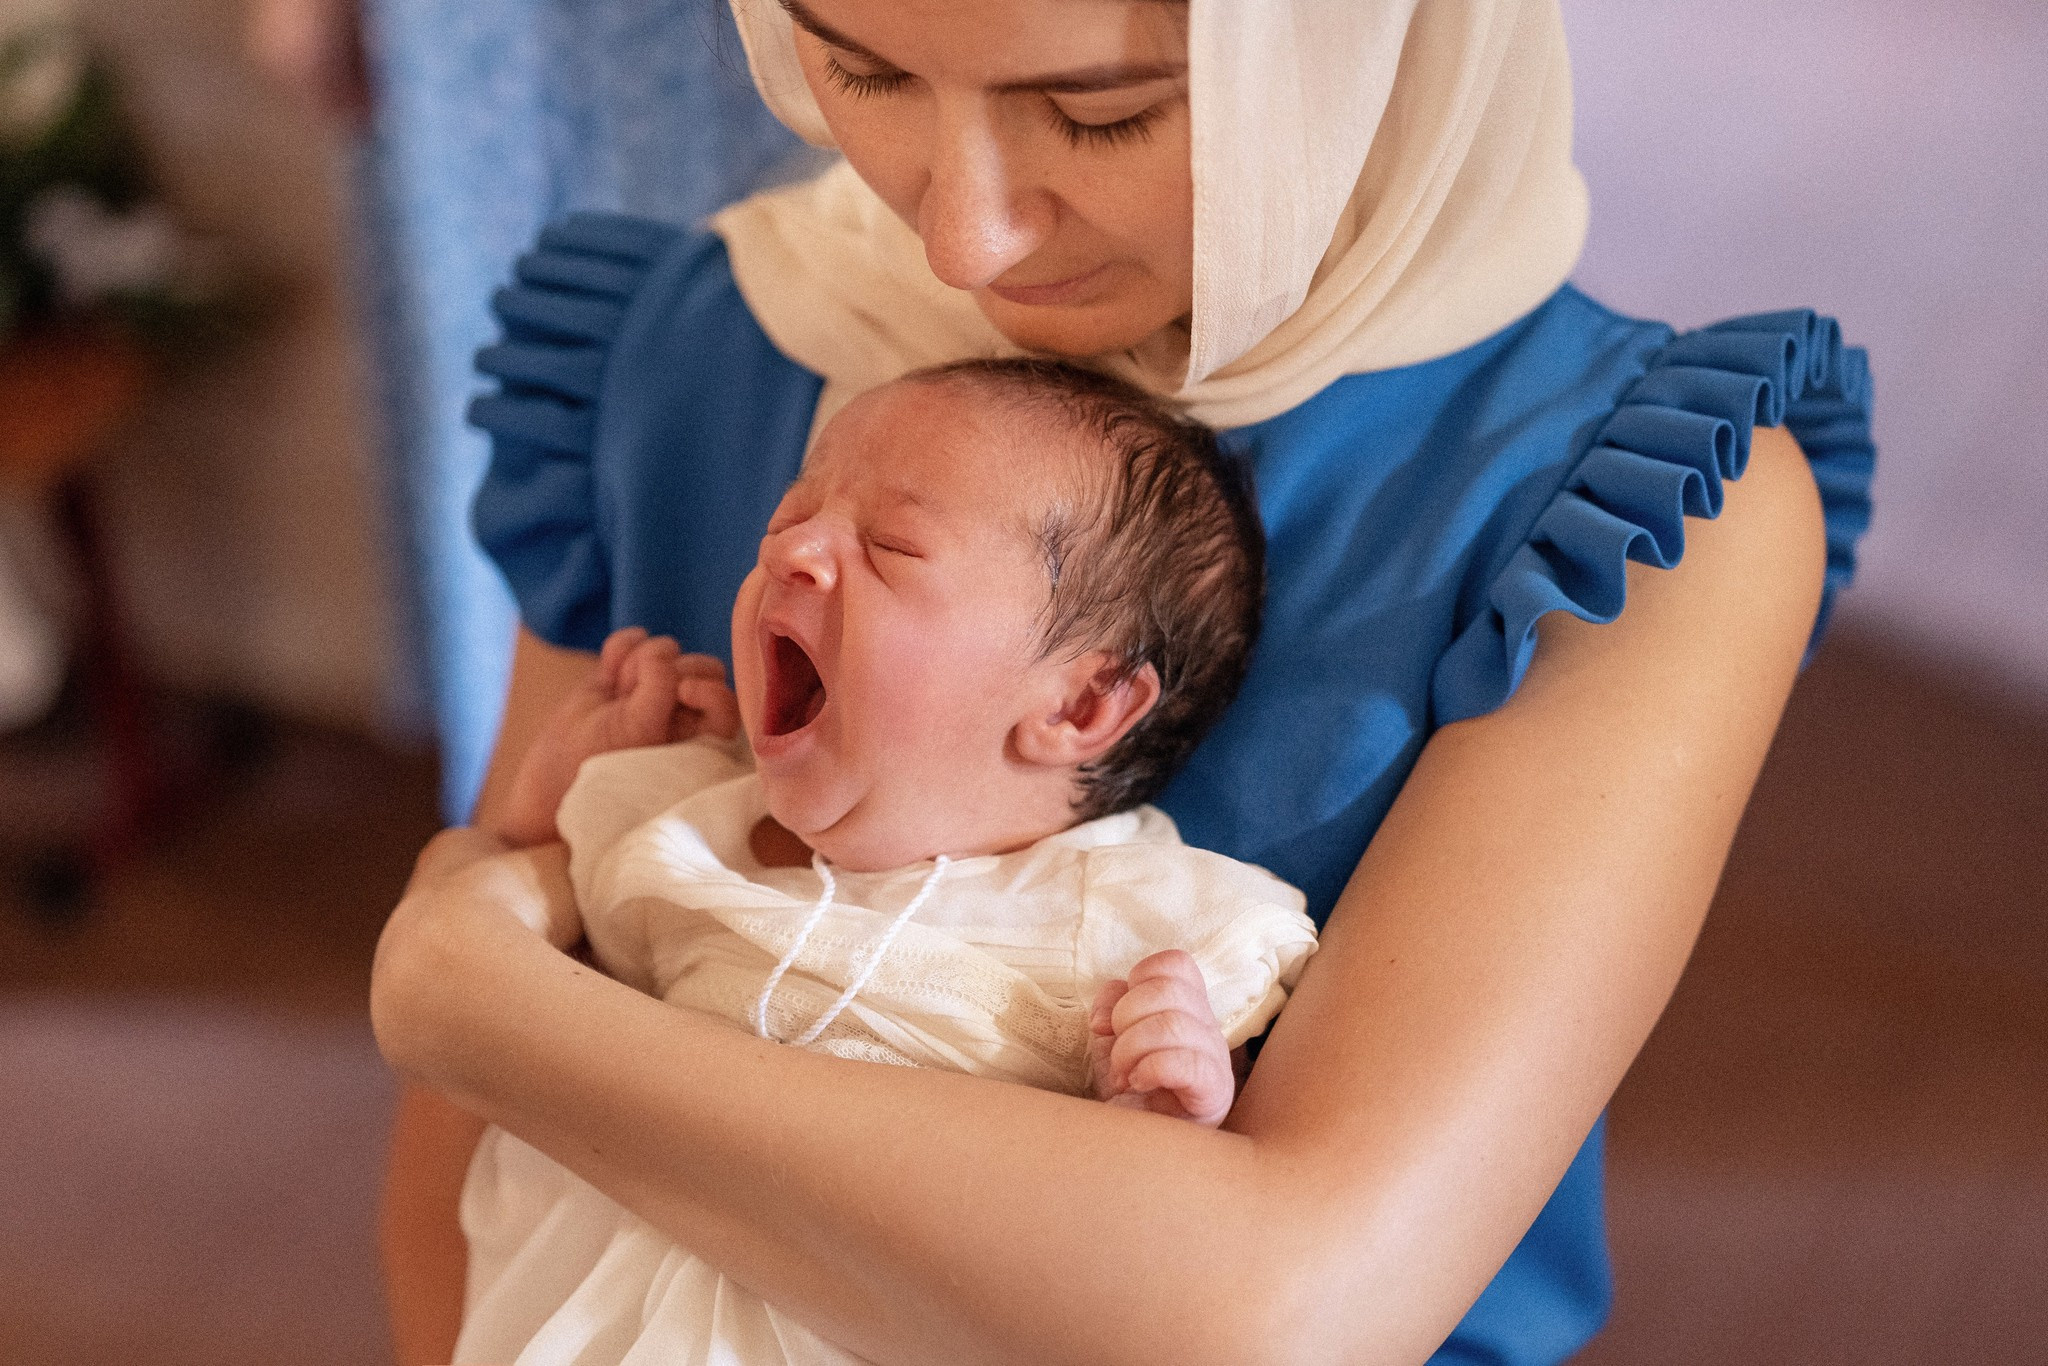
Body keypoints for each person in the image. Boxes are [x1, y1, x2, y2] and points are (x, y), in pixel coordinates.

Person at [371, 1, 1877, 1362]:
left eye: (1104, 113)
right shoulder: (674, 358)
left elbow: (1282, 1307)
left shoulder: (1636, 504)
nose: (963, 240)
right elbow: (468, 1206)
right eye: (862, 67)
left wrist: (481, 1007)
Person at [453, 359, 1317, 1364]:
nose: (791, 547)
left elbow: (1159, 1245)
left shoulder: (1126, 923)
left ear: (1079, 707)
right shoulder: (684, 824)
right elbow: (523, 978)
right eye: (793, 511)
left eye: (891, 546)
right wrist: (547, 805)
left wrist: (1165, 1109)